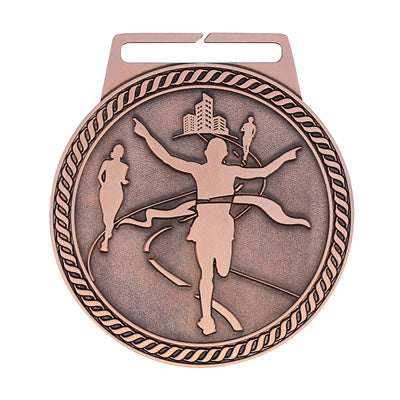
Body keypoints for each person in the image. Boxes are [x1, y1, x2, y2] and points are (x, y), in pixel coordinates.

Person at [132, 118, 305, 335]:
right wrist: (146, 135)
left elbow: (262, 173)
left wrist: (286, 157)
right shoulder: (199, 170)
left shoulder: (228, 172)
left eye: (217, 150)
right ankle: (206, 319)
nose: (213, 153)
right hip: (203, 226)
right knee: (207, 273)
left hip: (223, 227)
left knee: (222, 271)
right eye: (212, 150)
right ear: (209, 153)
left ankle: (218, 277)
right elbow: (167, 158)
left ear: (221, 155)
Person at [98, 144, 129, 252]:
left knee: (111, 217)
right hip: (106, 191)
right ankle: (108, 232)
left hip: (117, 192)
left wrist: (124, 181)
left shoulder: (124, 167)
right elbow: (99, 176)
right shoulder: (106, 163)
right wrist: (104, 185)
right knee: (106, 217)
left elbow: (122, 180)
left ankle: (105, 241)